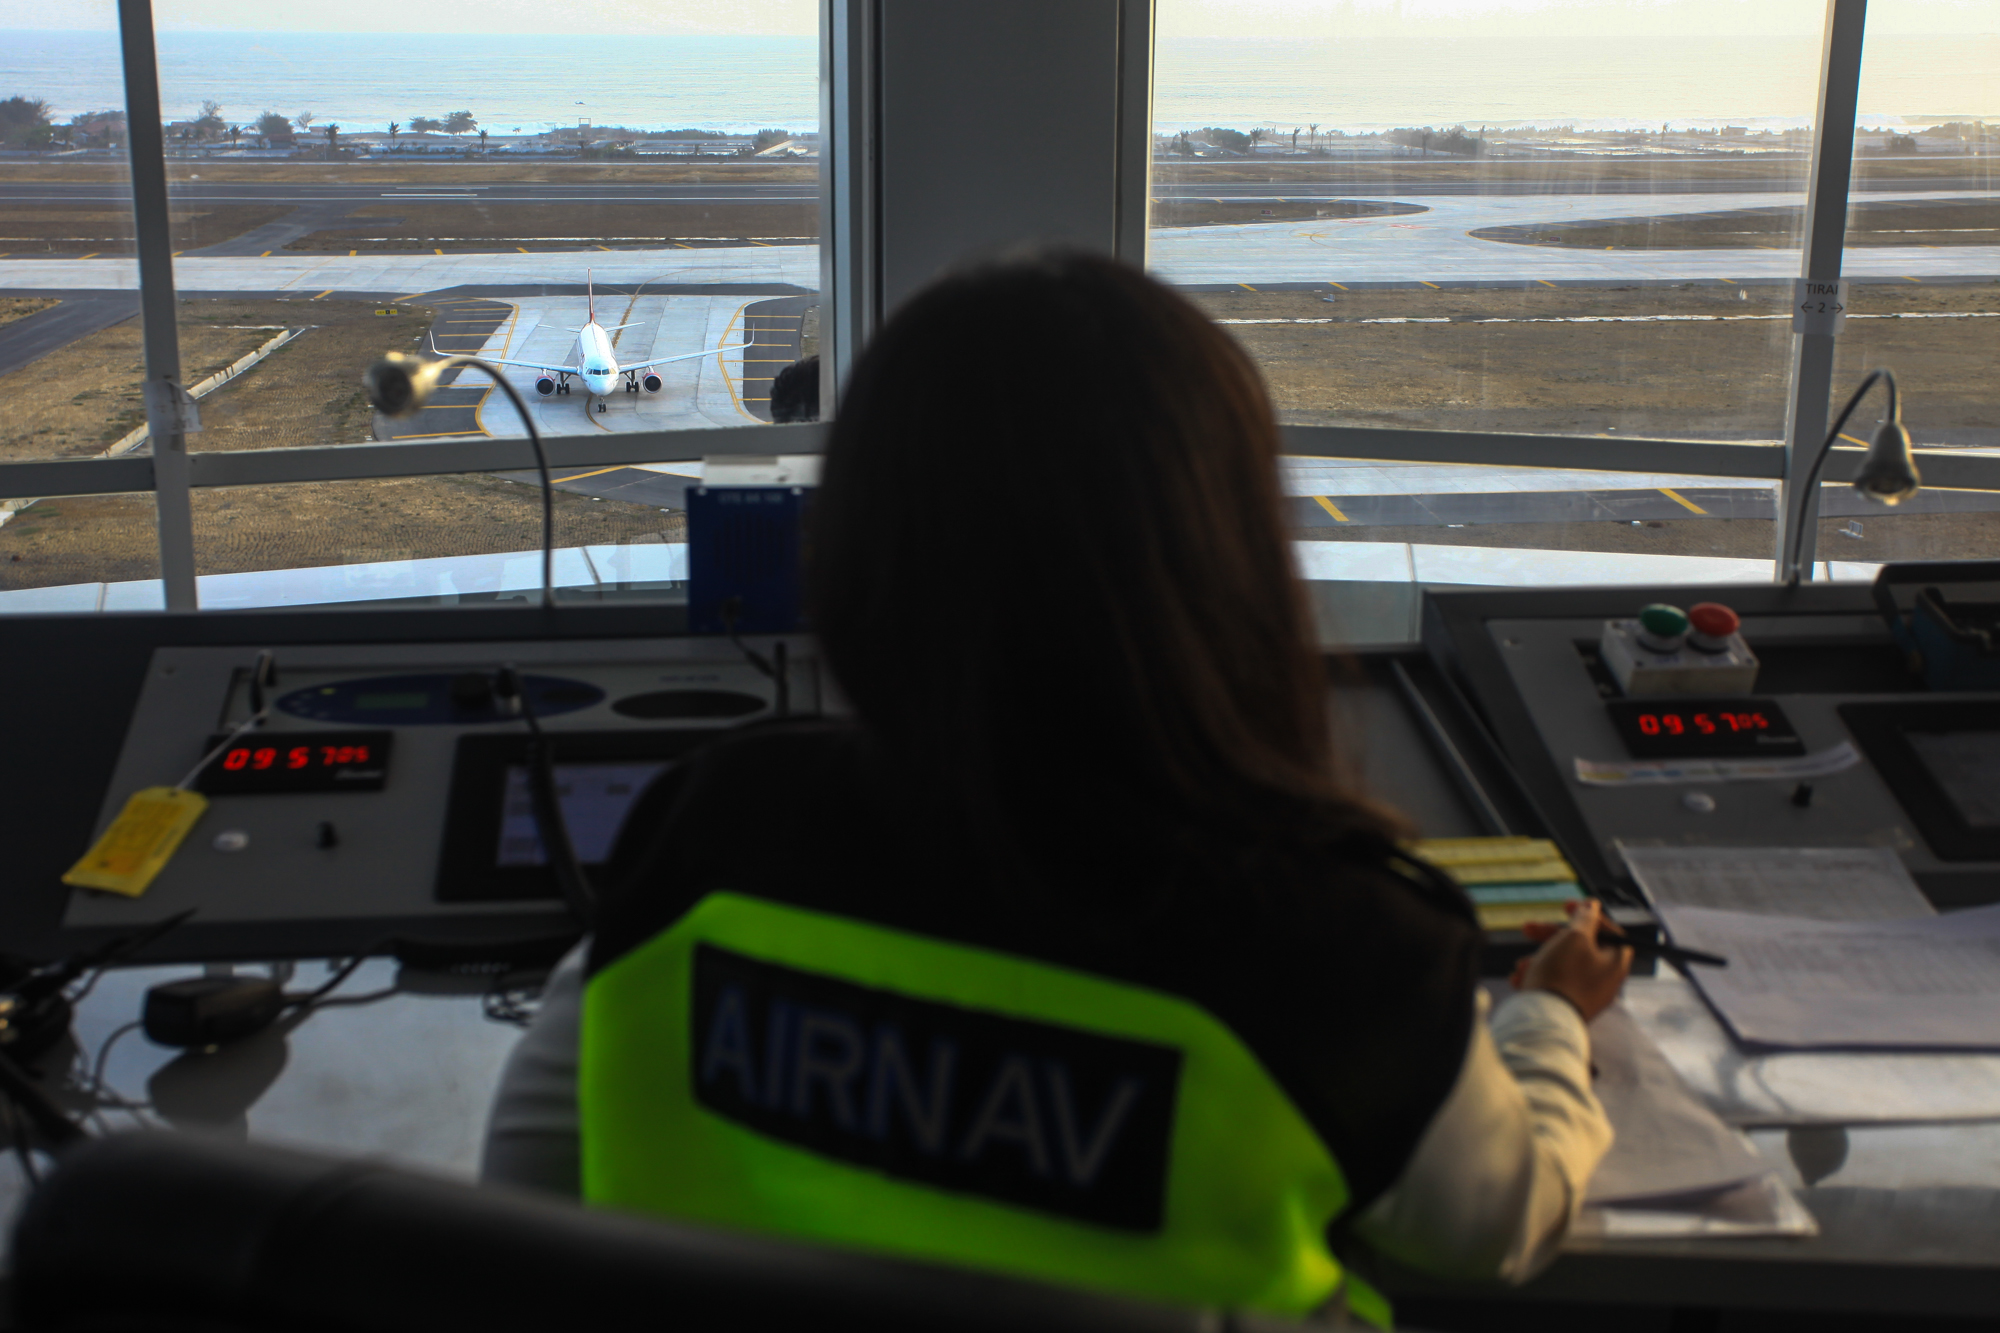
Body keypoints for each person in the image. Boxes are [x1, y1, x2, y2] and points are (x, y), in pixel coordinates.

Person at [482, 251, 1629, 1322]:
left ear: (855, 548)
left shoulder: (710, 830)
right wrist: (1548, 1016)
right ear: (1224, 565)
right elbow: (1499, 1225)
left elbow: (523, 1176)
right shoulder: (1335, 946)